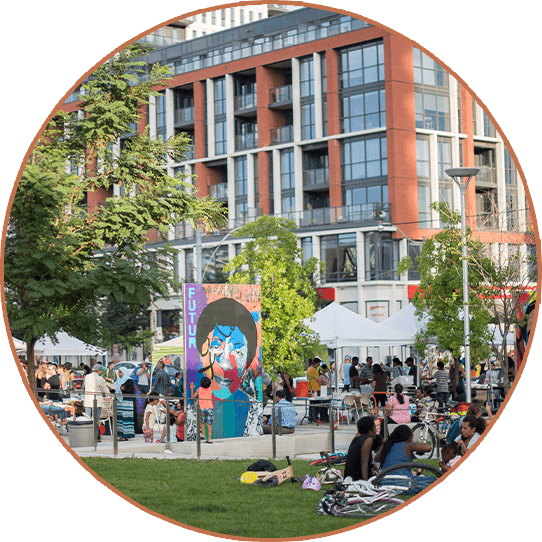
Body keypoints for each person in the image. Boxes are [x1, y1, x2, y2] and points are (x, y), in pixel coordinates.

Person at [344, 416, 378, 481]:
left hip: (349, 477)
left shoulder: (356, 439)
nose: (376, 431)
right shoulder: (368, 439)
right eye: (374, 428)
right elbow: (364, 462)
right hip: (358, 478)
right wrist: (366, 482)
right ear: (370, 431)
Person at [190, 377, 214, 443]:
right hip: (210, 408)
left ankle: (203, 434)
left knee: (202, 422)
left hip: (202, 408)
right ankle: (209, 438)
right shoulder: (210, 389)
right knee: (209, 424)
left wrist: (192, 388)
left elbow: (192, 397)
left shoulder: (199, 389)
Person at [115, 369, 135, 441]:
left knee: (126, 418)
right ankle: (121, 435)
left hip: (126, 402)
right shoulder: (118, 381)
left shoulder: (128, 380)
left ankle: (126, 434)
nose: (119, 374)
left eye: (120, 372)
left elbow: (131, 391)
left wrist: (124, 389)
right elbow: (116, 389)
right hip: (119, 402)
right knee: (120, 419)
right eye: (118, 372)